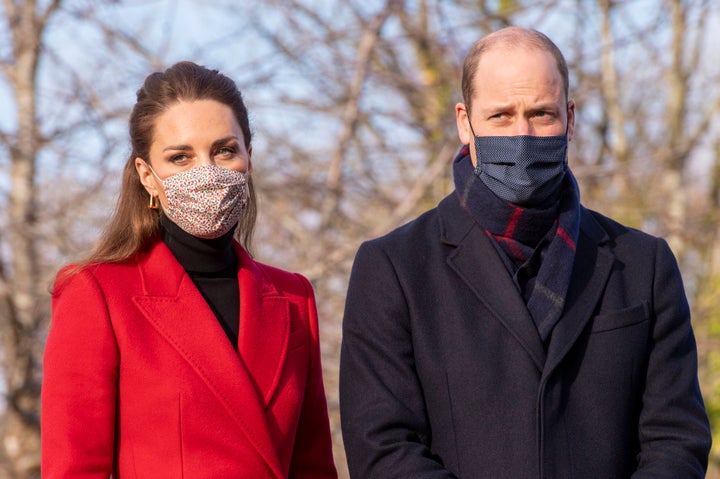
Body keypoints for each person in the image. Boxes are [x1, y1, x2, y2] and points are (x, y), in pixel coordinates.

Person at [339, 26, 711, 478]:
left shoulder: (643, 264)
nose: (522, 135)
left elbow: (675, 440)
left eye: (541, 114)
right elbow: (383, 449)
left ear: (570, 119)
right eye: (500, 116)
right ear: (464, 121)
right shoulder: (393, 268)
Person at [42, 61, 337, 478]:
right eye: (180, 157)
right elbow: (73, 469)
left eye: (224, 150)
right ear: (147, 175)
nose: (206, 171)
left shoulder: (293, 297)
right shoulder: (97, 292)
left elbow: (314, 466)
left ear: (249, 159)